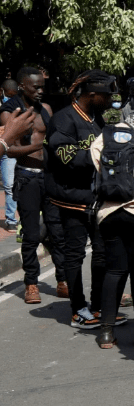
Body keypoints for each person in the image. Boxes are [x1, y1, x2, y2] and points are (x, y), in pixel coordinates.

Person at [90, 80, 134, 349]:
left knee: (114, 271)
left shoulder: (107, 132)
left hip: (108, 212)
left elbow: (95, 159)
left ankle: (106, 332)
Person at [46, 70, 113, 324]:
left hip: (96, 198)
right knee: (75, 255)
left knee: (102, 253)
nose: (110, 100)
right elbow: (64, 156)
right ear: (92, 94)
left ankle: (97, 307)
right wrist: (100, 156)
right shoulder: (64, 119)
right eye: (106, 96)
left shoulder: (97, 119)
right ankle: (77, 309)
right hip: (71, 199)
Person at [0, 68, 67, 304]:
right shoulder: (11, 113)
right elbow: (9, 149)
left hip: (49, 177)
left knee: (57, 231)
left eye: (42, 87)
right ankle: (31, 284)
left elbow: (56, 140)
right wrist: (36, 148)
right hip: (27, 177)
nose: (40, 91)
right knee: (30, 234)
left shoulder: (46, 110)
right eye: (35, 87)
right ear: (21, 86)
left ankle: (62, 280)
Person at [1, 78, 18, 231]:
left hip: (10, 151)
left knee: (10, 186)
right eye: (9, 95)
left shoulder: (20, 106)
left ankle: (11, 219)